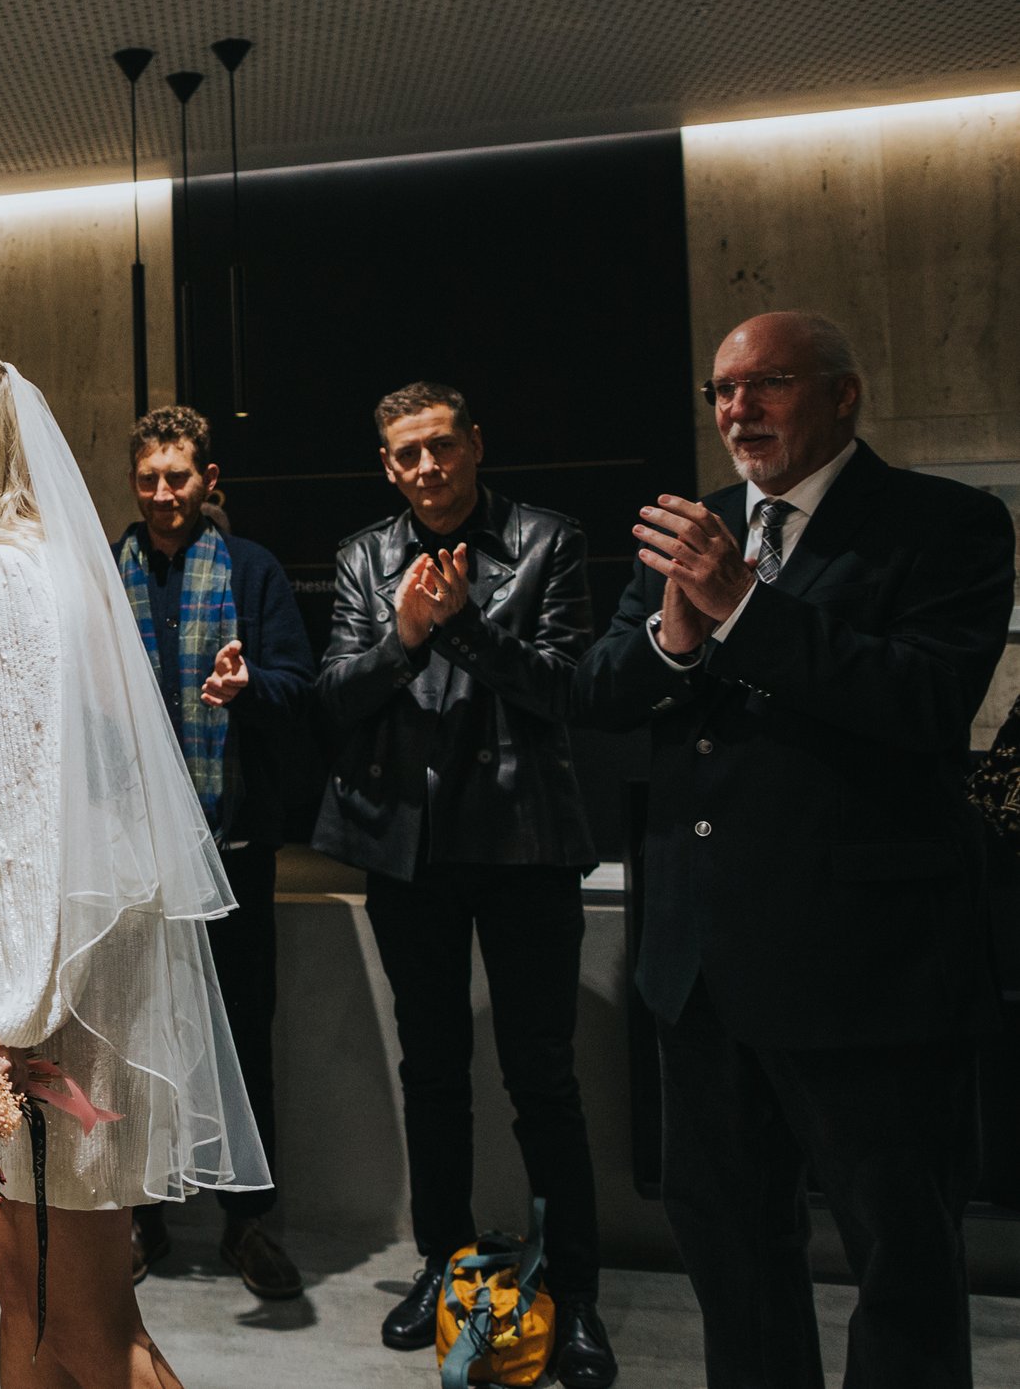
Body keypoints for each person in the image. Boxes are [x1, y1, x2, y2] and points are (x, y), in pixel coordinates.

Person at [579, 311, 1014, 1389]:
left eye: (766, 384)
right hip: (701, 972)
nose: (738, 409)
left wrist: (739, 604)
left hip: (868, 970)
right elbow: (595, 693)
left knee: (901, 1262)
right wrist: (673, 636)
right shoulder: (697, 527)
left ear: (841, 395)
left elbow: (923, 700)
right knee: (733, 1257)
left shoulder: (944, 523)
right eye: (721, 391)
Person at [0, 347, 266, 1388]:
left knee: (87, 1320)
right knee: (27, 1297)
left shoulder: (4, 578)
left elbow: (26, 824)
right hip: (50, 967)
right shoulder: (0, 564)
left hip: (50, 993)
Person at [310, 382, 615, 1387]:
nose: (427, 468)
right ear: (387, 466)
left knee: (543, 1080)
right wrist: (401, 634)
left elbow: (567, 685)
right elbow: (335, 698)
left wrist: (461, 627)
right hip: (412, 850)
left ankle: (575, 1294)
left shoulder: (547, 539)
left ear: (475, 444)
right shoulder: (363, 555)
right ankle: (439, 1267)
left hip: (524, 842)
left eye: (441, 446)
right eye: (405, 455)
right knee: (431, 1072)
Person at [113, 406, 313, 1299]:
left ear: (208, 478)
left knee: (240, 1032)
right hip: (126, 849)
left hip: (229, 842)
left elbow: (299, 687)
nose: (163, 494)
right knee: (133, 1038)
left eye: (179, 477)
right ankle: (142, 1218)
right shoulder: (99, 572)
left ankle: (249, 1220)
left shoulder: (252, 568)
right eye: (149, 478)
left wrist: (247, 686)